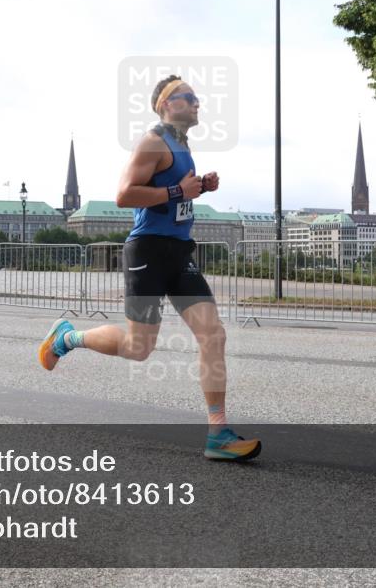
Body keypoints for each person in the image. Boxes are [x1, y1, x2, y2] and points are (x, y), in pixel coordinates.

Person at [37, 75, 260, 461]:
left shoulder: (181, 145)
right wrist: (179, 191)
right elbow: (124, 194)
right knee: (139, 348)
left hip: (177, 253)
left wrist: (200, 186)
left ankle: (218, 433)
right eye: (188, 97)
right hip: (147, 252)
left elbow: (173, 197)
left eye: (196, 97)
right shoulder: (153, 142)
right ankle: (67, 338)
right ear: (166, 105)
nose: (196, 103)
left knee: (213, 335)